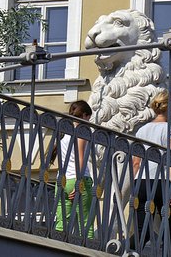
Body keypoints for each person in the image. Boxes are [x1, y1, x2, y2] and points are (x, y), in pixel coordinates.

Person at [131, 90, 171, 248]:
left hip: (142, 181)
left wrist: (135, 186)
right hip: (163, 181)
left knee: (142, 228)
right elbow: (170, 160)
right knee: (170, 227)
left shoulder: (142, 130)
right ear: (168, 108)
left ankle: (129, 251)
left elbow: (136, 162)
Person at [54, 100, 94, 238]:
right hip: (78, 180)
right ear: (84, 115)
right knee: (86, 225)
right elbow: (80, 160)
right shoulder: (81, 132)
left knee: (61, 224)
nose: (89, 121)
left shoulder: (64, 133)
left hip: (62, 181)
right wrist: (79, 183)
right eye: (89, 117)